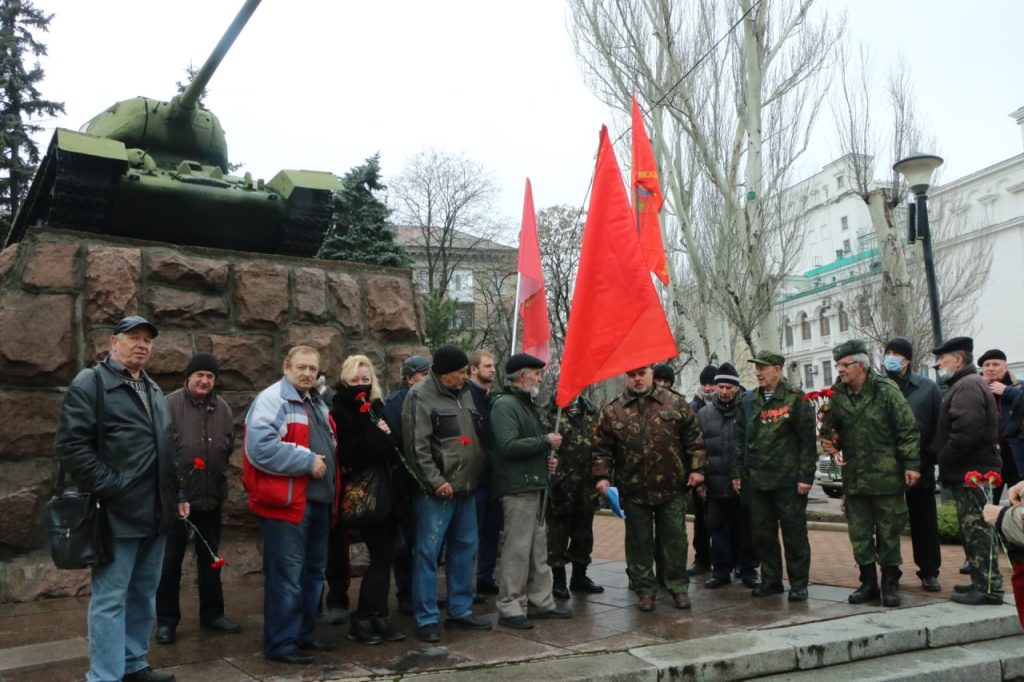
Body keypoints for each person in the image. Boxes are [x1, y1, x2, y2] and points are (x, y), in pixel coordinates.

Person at [55, 316, 185, 682]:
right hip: (116, 512)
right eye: (133, 338)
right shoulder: (91, 383)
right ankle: (105, 675)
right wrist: (113, 486)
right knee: (111, 599)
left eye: (147, 339)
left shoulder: (154, 390)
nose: (141, 344)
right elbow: (71, 445)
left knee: (144, 592)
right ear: (114, 342)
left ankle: (133, 664)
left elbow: (168, 449)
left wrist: (179, 493)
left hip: (156, 512)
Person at [243, 346, 339, 664]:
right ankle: (281, 644)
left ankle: (303, 635)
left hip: (318, 503)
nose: (308, 373)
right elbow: (260, 448)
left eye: (313, 368)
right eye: (302, 367)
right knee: (286, 577)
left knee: (313, 574)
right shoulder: (273, 400)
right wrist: (306, 460)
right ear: (286, 366)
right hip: (288, 506)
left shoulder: (317, 402)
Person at [593, 365, 706, 611]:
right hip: (634, 489)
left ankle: (677, 587)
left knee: (675, 540)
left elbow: (694, 440)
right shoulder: (613, 410)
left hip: (671, 487)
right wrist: (602, 478)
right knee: (638, 542)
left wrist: (697, 470)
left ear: (651, 374)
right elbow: (602, 449)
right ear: (626, 377)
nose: (637, 379)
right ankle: (645, 589)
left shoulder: (674, 403)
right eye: (632, 374)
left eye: (641, 373)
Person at [403, 344, 491, 642]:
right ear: (443, 374)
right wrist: (434, 481)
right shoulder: (419, 396)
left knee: (465, 550)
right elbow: (417, 447)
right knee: (428, 554)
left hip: (467, 488)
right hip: (436, 493)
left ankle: (460, 610)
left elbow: (471, 436)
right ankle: (427, 617)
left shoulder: (464, 393)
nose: (466, 377)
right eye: (461, 373)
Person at [822, 340, 920, 607]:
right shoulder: (836, 395)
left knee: (889, 532)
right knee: (860, 532)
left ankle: (889, 582)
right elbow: (831, 428)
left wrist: (912, 464)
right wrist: (830, 440)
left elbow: (907, 430)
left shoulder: (886, 390)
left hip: (886, 476)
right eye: (838, 365)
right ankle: (867, 583)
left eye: (844, 365)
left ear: (861, 365)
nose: (840, 370)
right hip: (855, 478)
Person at [156, 353, 240, 645]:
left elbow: (227, 447)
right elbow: (162, 451)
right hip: (176, 500)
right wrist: (177, 491)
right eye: (199, 375)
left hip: (210, 496)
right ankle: (166, 621)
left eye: (210, 376)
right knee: (170, 562)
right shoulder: (169, 405)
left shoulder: (224, 408)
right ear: (188, 377)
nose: (205, 380)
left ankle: (213, 614)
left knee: (210, 558)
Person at [490, 354, 572, 629]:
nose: (540, 377)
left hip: (533, 483)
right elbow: (508, 445)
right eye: (537, 373)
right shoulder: (505, 405)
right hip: (518, 488)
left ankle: (541, 601)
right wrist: (544, 441)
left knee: (538, 548)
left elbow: (526, 445)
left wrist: (546, 458)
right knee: (517, 548)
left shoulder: (525, 404)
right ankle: (511, 606)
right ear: (523, 375)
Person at [331, 355, 406, 644]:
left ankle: (378, 615)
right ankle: (361, 618)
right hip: (366, 493)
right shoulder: (341, 410)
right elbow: (350, 454)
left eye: (366, 379)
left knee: (386, 558)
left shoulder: (376, 407)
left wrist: (383, 437)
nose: (361, 385)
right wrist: (377, 436)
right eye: (356, 380)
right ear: (345, 381)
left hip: (388, 492)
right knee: (379, 558)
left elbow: (392, 445)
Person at [731, 350, 815, 602]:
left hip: (788, 481)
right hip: (758, 480)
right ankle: (771, 579)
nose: (758, 372)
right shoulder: (748, 400)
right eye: (756, 368)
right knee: (762, 533)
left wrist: (805, 477)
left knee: (794, 533)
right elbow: (739, 439)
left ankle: (799, 583)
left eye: (763, 368)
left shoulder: (795, 399)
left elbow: (807, 441)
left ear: (777, 370)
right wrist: (737, 472)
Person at [932, 336, 1003, 605]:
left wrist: (945, 457)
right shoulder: (965, 383)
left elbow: (966, 431)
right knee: (973, 531)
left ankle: (989, 588)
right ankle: (979, 581)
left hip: (973, 473)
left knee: (978, 532)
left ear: (959, 359)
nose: (938, 364)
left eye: (943, 358)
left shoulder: (967, 385)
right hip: (969, 471)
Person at [883, 337, 943, 592]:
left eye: (896, 353)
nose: (890, 358)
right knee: (887, 524)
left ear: (907, 359)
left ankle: (929, 571)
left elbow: (939, 428)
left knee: (924, 522)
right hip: (886, 469)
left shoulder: (927, 388)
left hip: (920, 468)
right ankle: (890, 572)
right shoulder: (880, 387)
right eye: (887, 353)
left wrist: (926, 459)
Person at [699, 363, 758, 589]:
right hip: (715, 482)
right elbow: (698, 448)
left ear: (737, 387)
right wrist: (701, 479)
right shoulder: (704, 415)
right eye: (720, 387)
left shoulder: (748, 410)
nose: (724, 392)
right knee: (717, 528)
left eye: (729, 387)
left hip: (742, 482)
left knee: (745, 528)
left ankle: (748, 569)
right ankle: (720, 570)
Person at [382, 354, 432, 615]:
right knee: (405, 544)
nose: (429, 379)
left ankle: (421, 592)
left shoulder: (428, 398)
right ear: (411, 378)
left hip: (425, 482)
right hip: (404, 485)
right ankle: (406, 594)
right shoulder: (395, 403)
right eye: (424, 375)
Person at [542, 394, 604, 599]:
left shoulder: (591, 411)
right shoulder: (548, 413)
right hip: (561, 485)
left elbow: (601, 445)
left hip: (586, 485)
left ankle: (579, 576)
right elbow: (541, 446)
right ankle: (559, 580)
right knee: (557, 536)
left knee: (583, 535)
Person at [467, 349, 503, 597]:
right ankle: (468, 585)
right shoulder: (467, 397)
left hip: (494, 478)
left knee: (491, 532)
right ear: (473, 369)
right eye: (488, 366)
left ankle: (485, 577)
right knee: (471, 535)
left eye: (493, 366)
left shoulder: (490, 397)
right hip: (475, 478)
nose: (492, 370)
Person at [979, 348, 1024, 498]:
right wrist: (979, 387)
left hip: (1015, 457)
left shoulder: (1018, 387)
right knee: (988, 506)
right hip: (988, 459)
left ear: (1006, 367)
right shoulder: (974, 387)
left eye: (996, 364)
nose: (991, 368)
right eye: (987, 365)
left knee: (1018, 507)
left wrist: (1007, 391)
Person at [686, 364, 717, 576]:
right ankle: (702, 558)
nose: (708, 388)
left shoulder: (734, 403)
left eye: (711, 383)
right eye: (704, 383)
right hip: (699, 472)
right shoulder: (692, 408)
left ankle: (728, 560)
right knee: (701, 520)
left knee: (726, 520)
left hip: (722, 471)